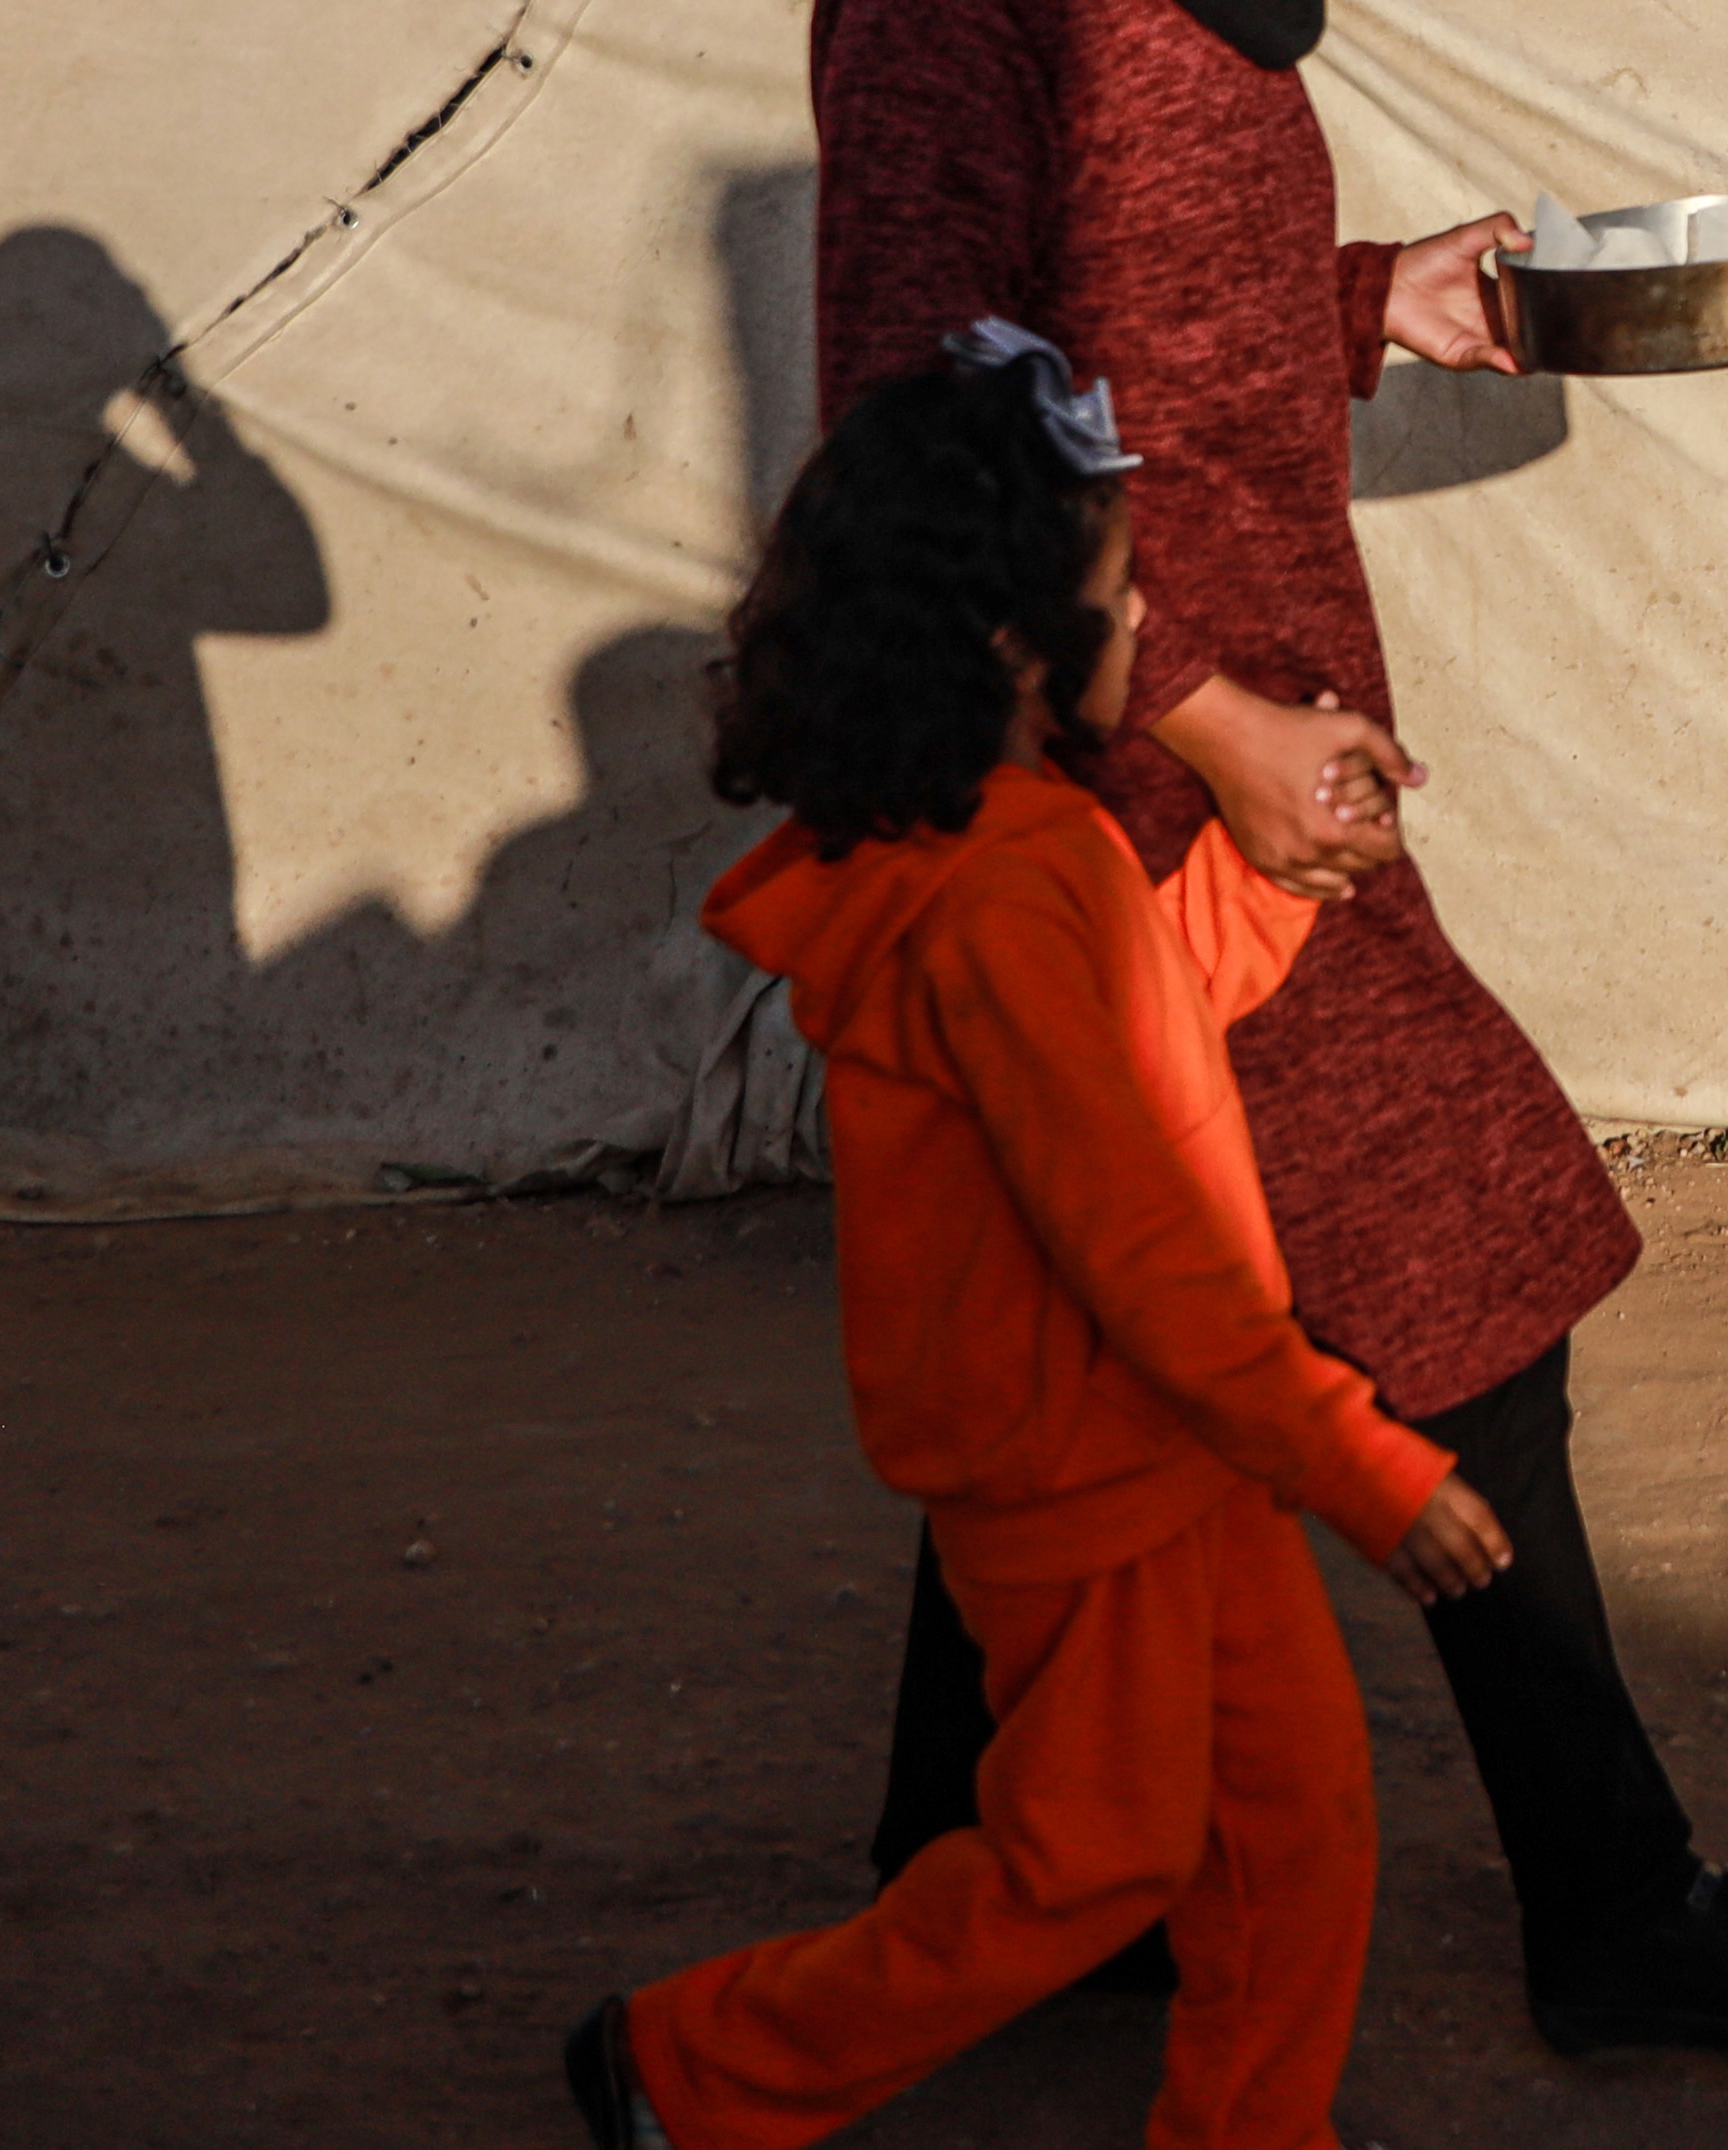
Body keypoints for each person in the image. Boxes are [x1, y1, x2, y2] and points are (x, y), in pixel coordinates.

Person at [807, 0, 1728, 2053]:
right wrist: (1192, 716)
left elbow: (1136, 298)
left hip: (1253, 700)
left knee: (1101, 1299)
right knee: (1452, 1286)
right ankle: (1614, 1899)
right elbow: (921, 405)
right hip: (1112, 754)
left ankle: (975, 1882)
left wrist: (1366, 295)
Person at [572, 329, 1514, 2150]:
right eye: (1116, 584)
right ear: (1015, 647)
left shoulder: (990, 850)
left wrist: (1265, 874)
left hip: (1161, 1448)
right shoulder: (1008, 881)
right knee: (1090, 1861)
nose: (1146, 616)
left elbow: (1130, 1050)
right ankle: (687, 2069)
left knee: (1292, 1822)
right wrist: (1356, 1458)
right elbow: (1147, 1230)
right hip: (1096, 1467)